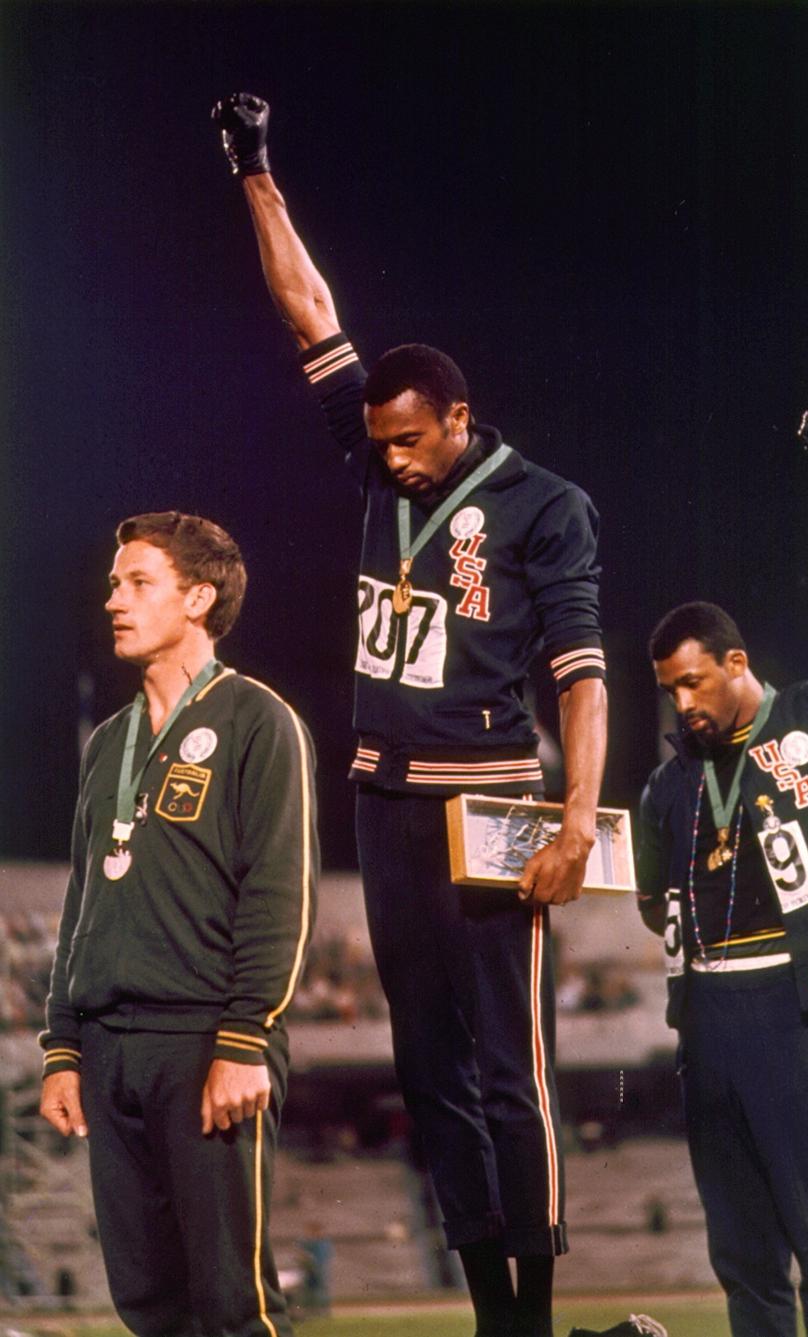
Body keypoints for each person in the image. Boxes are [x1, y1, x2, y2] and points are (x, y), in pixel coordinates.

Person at [212, 93, 608, 1337]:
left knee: (510, 1072)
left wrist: (579, 820)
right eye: (374, 443)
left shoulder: (548, 506)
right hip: (383, 804)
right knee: (429, 1069)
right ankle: (491, 1312)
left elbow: (582, 675)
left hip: (490, 808)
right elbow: (312, 314)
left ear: (454, 416)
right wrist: (257, 173)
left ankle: (536, 1315)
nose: (383, 460)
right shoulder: (376, 458)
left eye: (403, 441)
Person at [636, 410, 808, 1337]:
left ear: (737, 663)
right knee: (743, 1264)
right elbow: (647, 899)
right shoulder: (668, 784)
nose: (682, 700)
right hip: (706, 1015)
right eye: (669, 687)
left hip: (798, 1001)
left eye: (695, 681)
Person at [39, 511, 319, 1337]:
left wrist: (245, 1037)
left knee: (235, 1304)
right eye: (113, 585)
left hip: (207, 1045)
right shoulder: (108, 745)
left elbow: (279, 896)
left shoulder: (258, 722)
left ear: (198, 597)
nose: (114, 601)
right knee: (149, 1305)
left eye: (138, 583)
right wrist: (64, 1047)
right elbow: (81, 904)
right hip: (109, 1051)